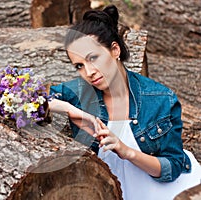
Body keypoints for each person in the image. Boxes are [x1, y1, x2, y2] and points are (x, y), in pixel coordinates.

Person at [48, 5, 201, 200]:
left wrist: (126, 151)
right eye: (80, 66)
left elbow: (173, 167)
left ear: (114, 50)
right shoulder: (78, 93)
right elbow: (28, 101)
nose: (89, 72)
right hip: (106, 191)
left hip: (167, 191)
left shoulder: (160, 98)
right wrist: (73, 111)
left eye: (93, 58)